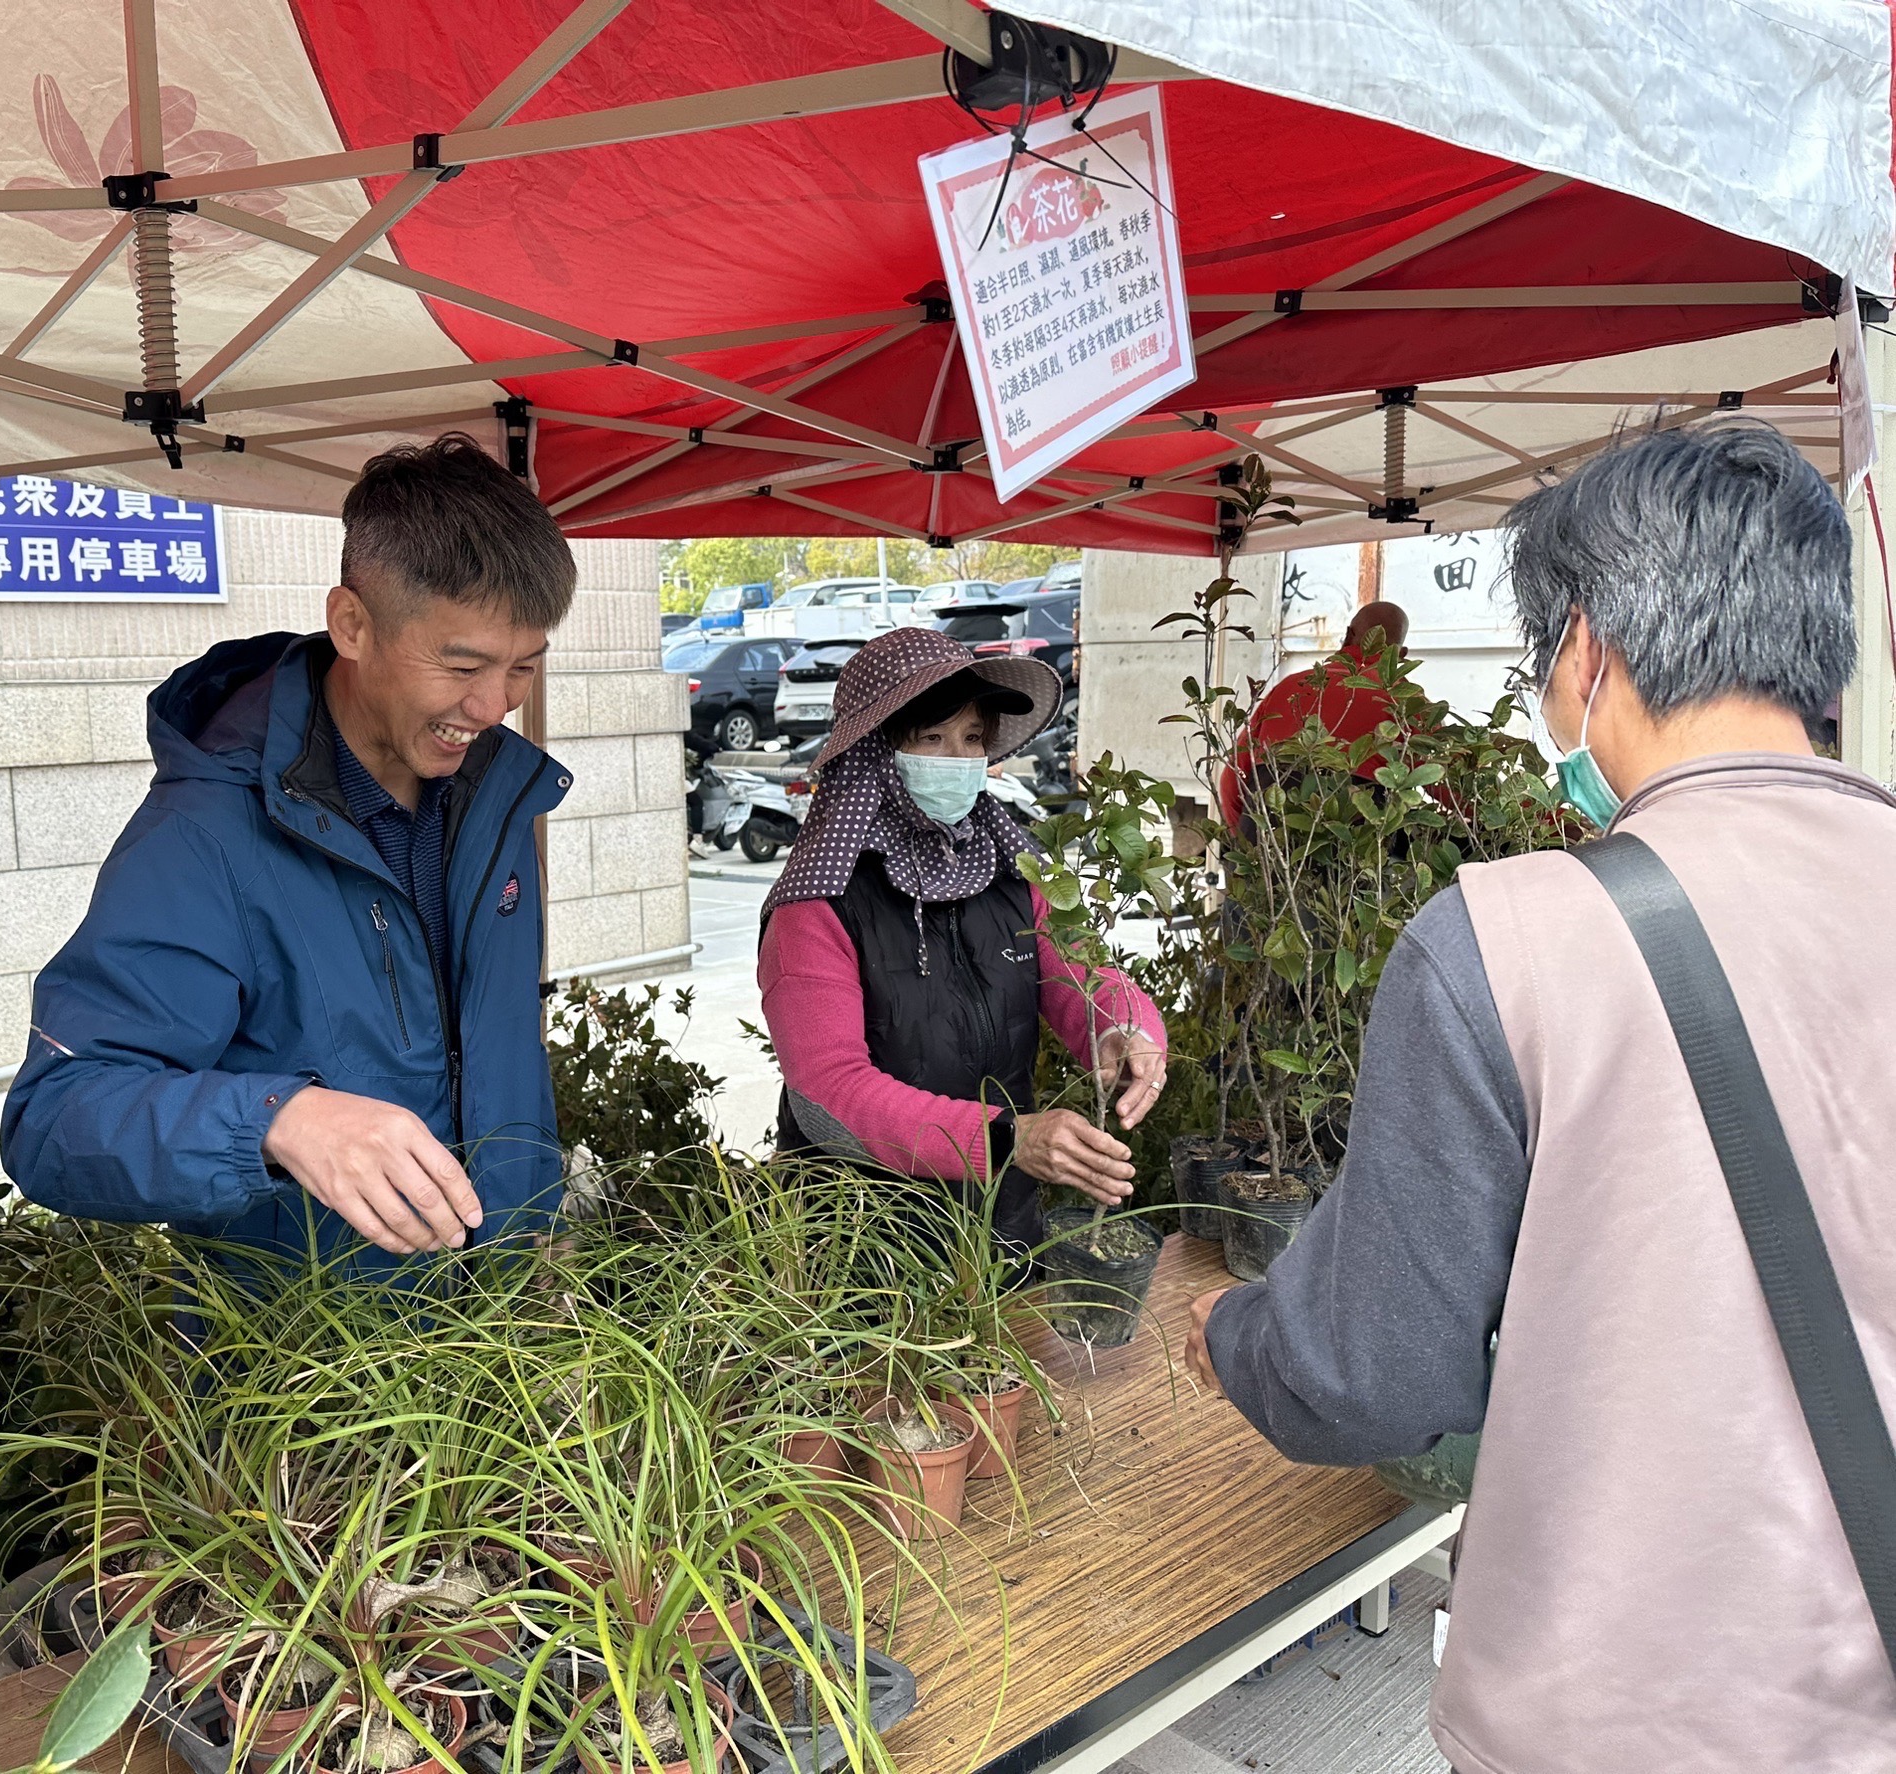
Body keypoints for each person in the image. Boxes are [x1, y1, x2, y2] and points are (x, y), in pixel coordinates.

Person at [1183, 423, 1896, 1770]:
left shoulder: (1503, 943)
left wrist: (1235, 1333)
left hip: (1609, 1713)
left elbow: (1369, 1376)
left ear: (1584, 650)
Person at [2, 436, 575, 1267]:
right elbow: (54, 1117)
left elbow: (499, 1054)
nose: (494, 707)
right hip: (301, 1339)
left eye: (523, 667)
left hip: (506, 1318)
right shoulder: (204, 834)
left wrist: (535, 1225)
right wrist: (280, 1121)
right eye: (462, 666)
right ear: (352, 624)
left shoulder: (498, 796)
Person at [757, 627, 1168, 1255]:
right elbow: (827, 1096)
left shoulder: (1009, 868)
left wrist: (1123, 1029)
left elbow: (1085, 975)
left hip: (1001, 1218)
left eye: (972, 738)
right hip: (861, 1242)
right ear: (874, 751)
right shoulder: (817, 903)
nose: (958, 758)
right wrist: (1007, 1139)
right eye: (931, 738)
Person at [1216, 599, 1411, 830]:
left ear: (1348, 636)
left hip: (1266, 833)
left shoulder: (1289, 687)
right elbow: (1446, 785)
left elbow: (1232, 779)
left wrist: (1243, 839)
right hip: (1351, 843)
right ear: (1401, 655)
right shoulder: (1405, 702)